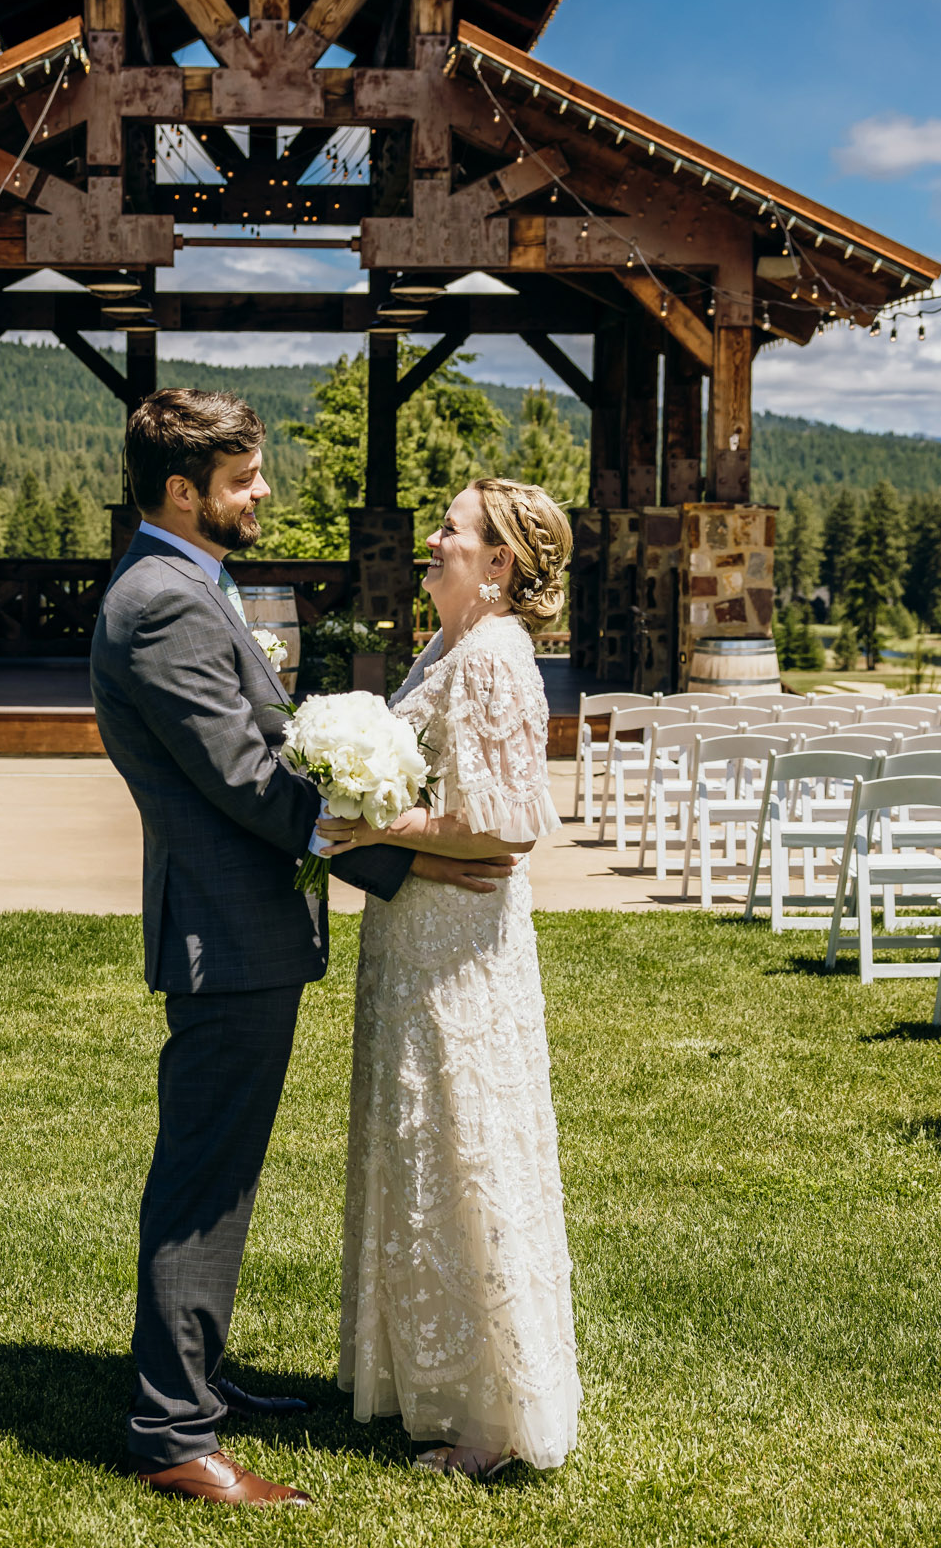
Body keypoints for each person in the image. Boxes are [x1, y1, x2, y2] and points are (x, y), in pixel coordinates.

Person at [90, 389, 518, 1508]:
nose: (262, 491)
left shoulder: (187, 582)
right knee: (203, 1178)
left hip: (242, 926)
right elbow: (249, 779)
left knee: (219, 1168)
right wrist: (409, 857)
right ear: (183, 490)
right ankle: (175, 1429)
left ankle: (200, 1378)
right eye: (243, 478)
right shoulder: (163, 601)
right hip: (221, 932)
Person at [316, 476, 582, 1480]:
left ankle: (489, 1415)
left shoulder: (496, 657)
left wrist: (370, 826)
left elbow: (507, 823)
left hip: (459, 949)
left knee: (465, 1145)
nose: (432, 540)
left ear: (501, 562)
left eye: (453, 530)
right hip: (419, 930)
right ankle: (421, 1374)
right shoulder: (450, 646)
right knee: (422, 1143)